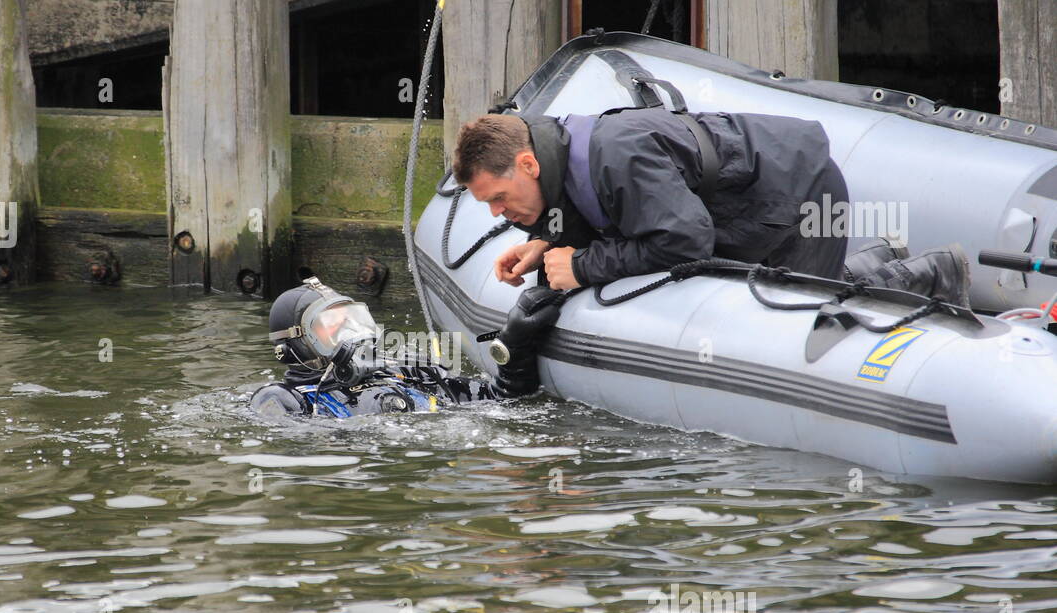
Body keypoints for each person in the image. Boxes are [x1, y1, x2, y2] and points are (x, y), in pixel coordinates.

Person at [452, 110, 970, 306]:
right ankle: (882, 257)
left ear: (527, 163)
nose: (498, 213)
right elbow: (605, 211)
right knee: (776, 288)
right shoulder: (560, 151)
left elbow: (685, 242)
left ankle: (934, 272)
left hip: (796, 193)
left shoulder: (616, 156)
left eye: (499, 197)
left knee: (805, 313)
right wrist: (547, 245)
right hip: (742, 203)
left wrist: (583, 266)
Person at [249, 276, 561, 418]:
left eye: (354, 319)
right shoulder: (287, 400)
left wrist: (513, 347)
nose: (352, 333)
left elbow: (503, 400)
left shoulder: (406, 374)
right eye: (332, 326)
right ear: (296, 344)